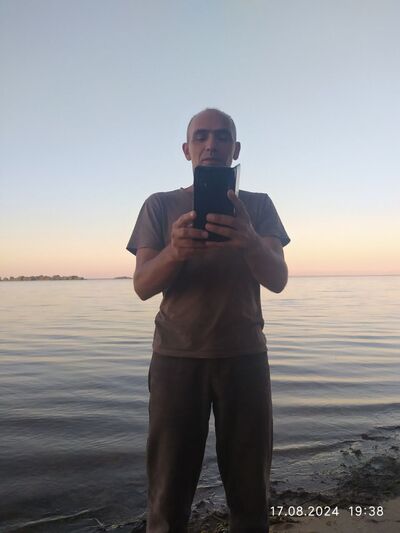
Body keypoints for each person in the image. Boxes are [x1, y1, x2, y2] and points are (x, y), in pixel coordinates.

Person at [126, 108, 290, 533]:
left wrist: (249, 240)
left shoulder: (259, 205)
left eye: (221, 137)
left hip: (245, 358)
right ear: (187, 149)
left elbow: (278, 279)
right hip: (176, 360)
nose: (211, 144)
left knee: (250, 493)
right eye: (201, 137)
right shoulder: (159, 205)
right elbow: (142, 285)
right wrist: (175, 251)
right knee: (167, 494)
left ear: (236, 148)